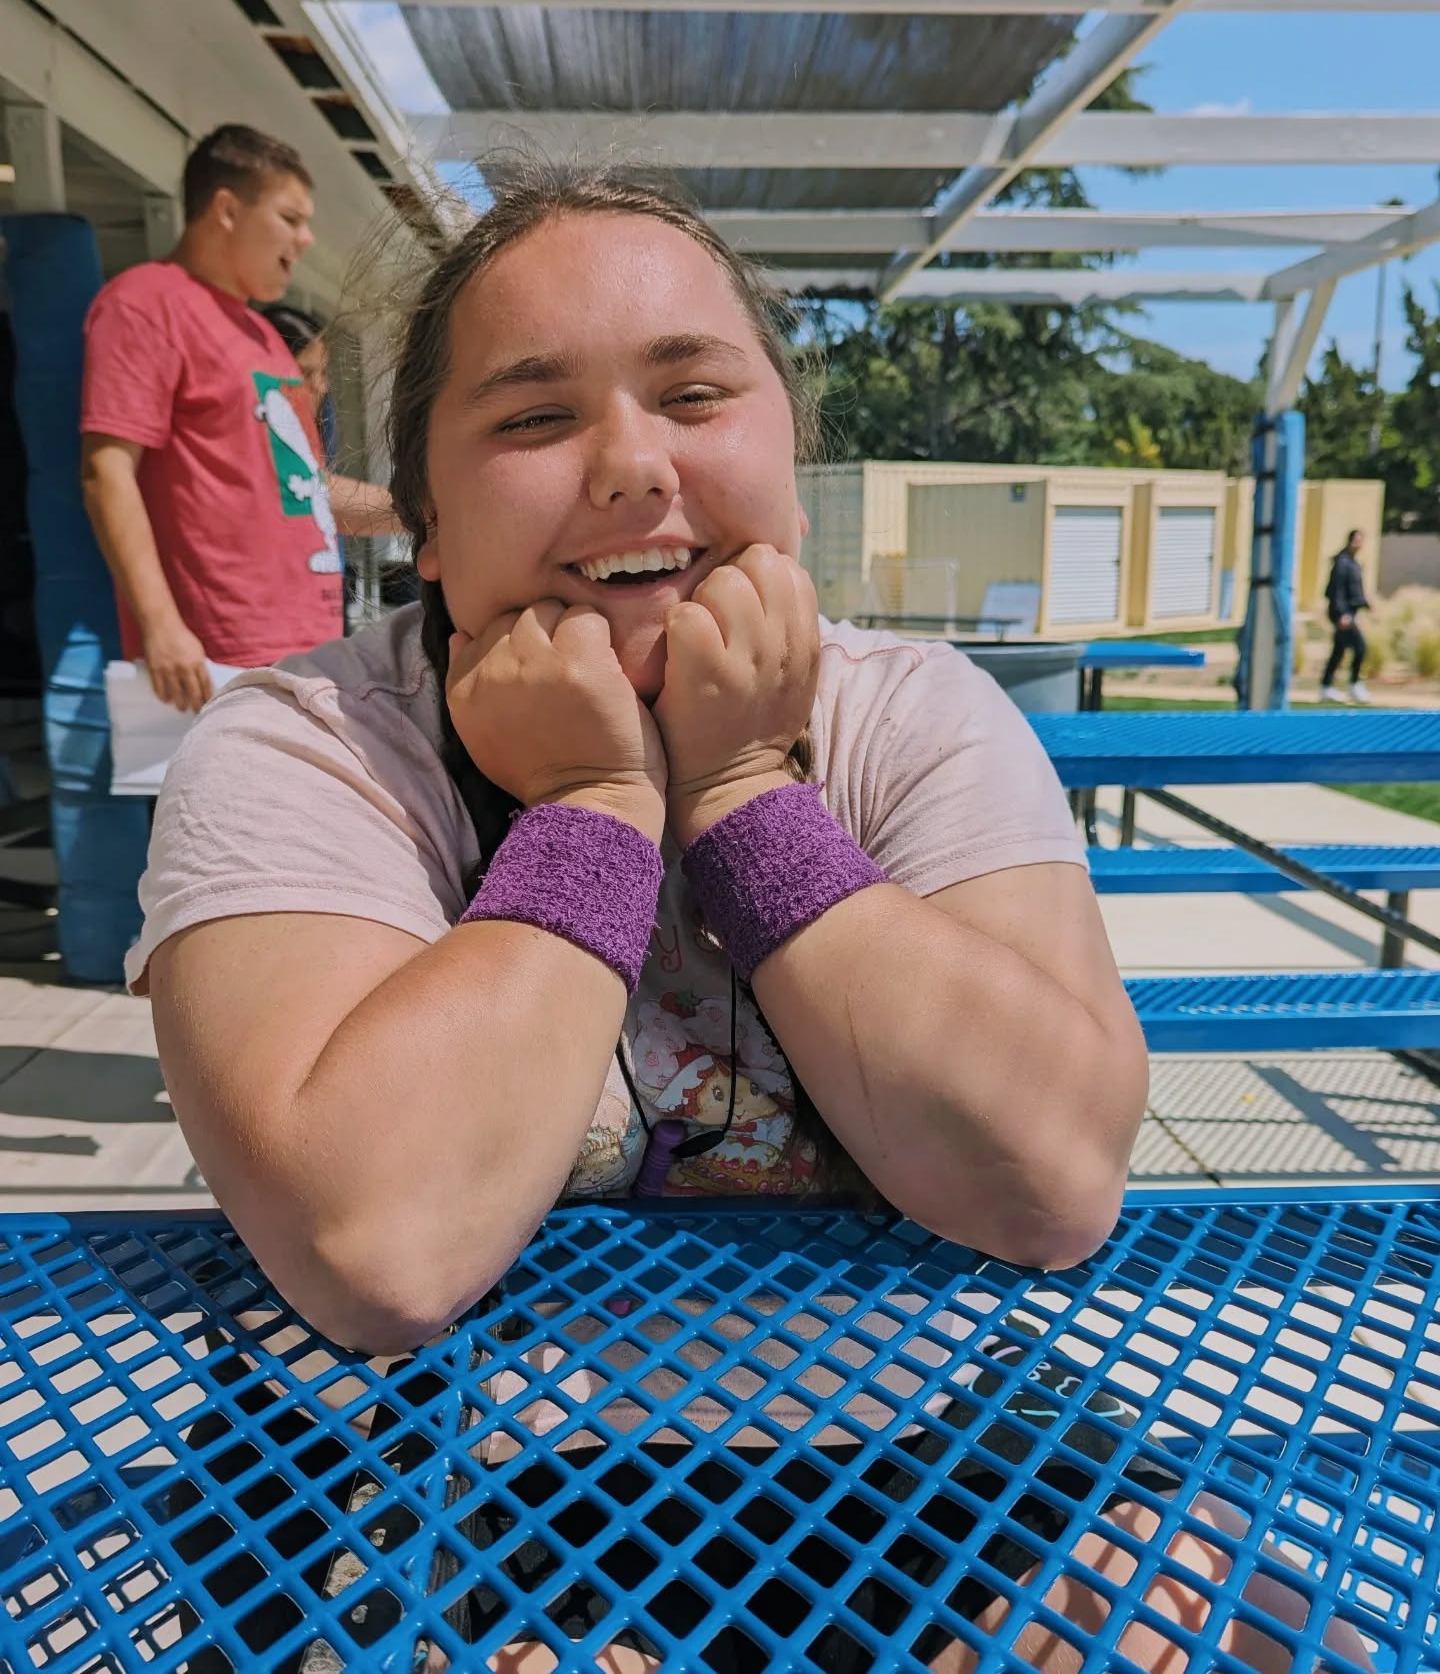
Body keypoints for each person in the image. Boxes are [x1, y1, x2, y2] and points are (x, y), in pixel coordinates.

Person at [131, 167, 1370, 1673]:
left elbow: (1048, 1178)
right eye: (532, 418)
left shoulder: (910, 716)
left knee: (1221, 1618)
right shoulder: (310, 745)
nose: (633, 468)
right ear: (430, 527)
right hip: (447, 1473)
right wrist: (590, 805)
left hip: (921, 1443)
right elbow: (375, 1247)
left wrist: (741, 794)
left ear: (790, 458)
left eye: (694, 395)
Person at [80, 123, 394, 715]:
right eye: (290, 218)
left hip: (309, 650)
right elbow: (107, 473)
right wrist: (160, 625)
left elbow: (309, 492)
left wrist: (423, 509)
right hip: (216, 658)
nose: (306, 240)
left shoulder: (264, 337)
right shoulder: (145, 302)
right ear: (226, 208)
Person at [1321, 528, 1371, 704]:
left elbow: (1355, 590)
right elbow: (1336, 591)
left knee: (1338, 650)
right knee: (1361, 647)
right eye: (1356, 540)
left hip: (1350, 612)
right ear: (1350, 540)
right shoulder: (1342, 562)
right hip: (1343, 614)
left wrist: (1366, 604)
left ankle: (1326, 686)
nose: (1358, 544)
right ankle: (1354, 684)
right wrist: (1342, 614)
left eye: (1361, 540)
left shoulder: (1353, 563)